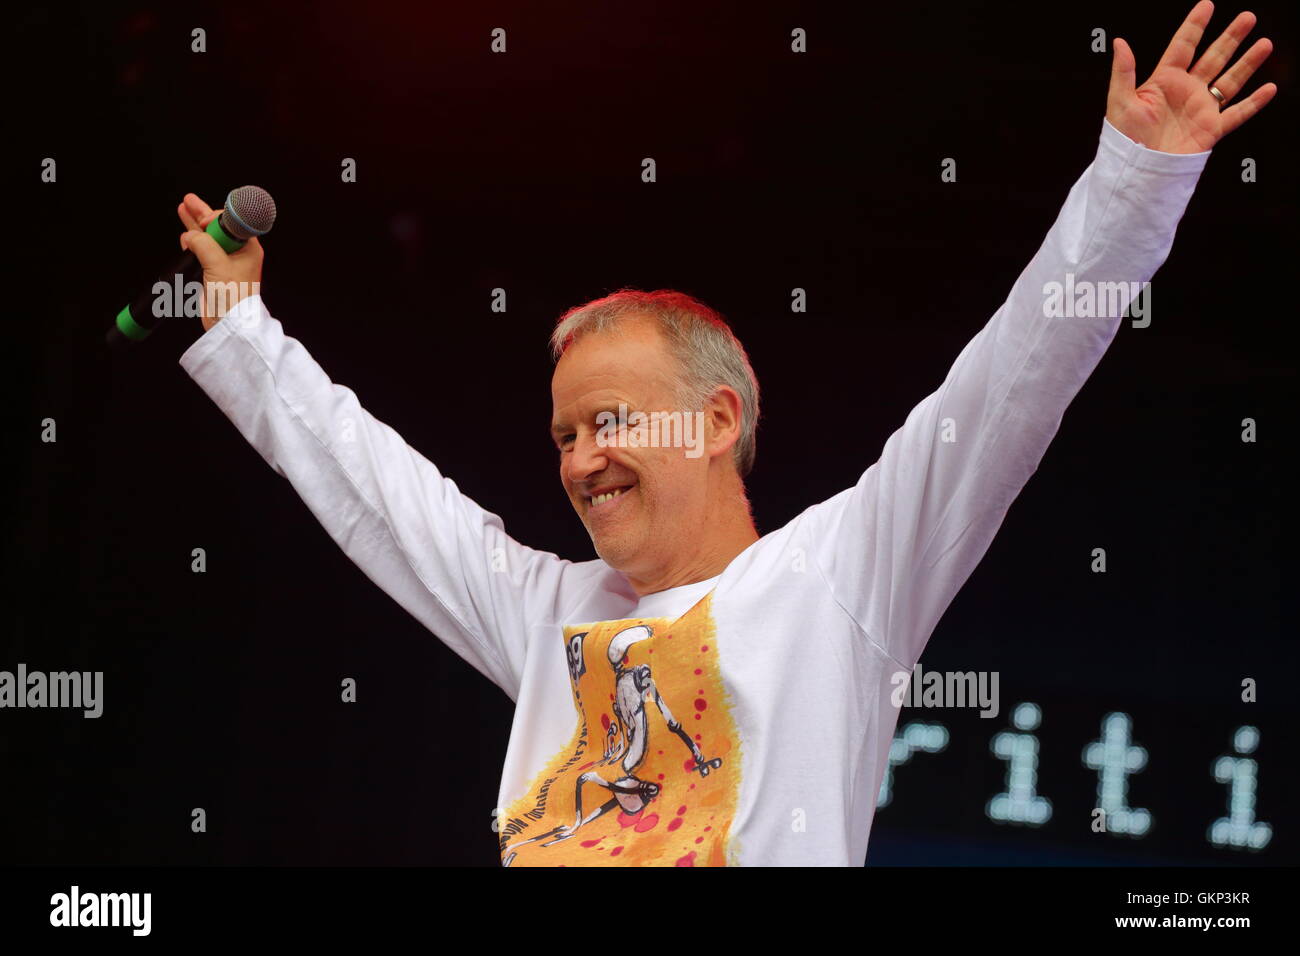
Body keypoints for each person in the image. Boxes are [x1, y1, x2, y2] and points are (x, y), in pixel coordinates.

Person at [174, 2, 1274, 865]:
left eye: (608, 420)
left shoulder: (839, 576)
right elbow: (376, 491)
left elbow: (1014, 378)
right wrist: (244, 328)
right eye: (562, 433)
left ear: (713, 422)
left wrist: (1133, 181)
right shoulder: (546, 613)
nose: (577, 458)